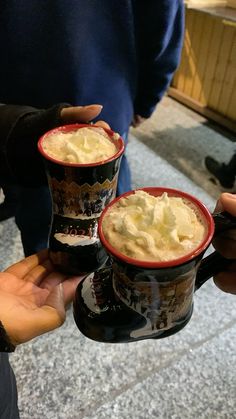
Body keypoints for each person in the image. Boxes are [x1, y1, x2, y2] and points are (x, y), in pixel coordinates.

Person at [0, 0, 185, 254]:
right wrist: (145, 100)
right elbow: (164, 26)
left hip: (22, 104)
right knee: (112, 218)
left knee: (44, 220)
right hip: (105, 96)